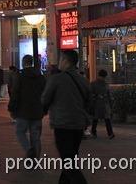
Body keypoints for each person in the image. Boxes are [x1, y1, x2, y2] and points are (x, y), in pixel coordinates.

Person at [42, 50, 90, 184]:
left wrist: (43, 111)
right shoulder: (83, 80)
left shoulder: (56, 79)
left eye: (60, 59)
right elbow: (89, 101)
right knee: (70, 159)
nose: (59, 63)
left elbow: (45, 99)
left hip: (63, 125)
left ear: (65, 61)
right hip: (79, 125)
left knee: (69, 163)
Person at [8, 55, 46, 158]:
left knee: (20, 131)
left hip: (23, 111)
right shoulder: (40, 77)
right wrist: (44, 109)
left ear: (23, 63)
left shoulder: (19, 76)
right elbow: (45, 93)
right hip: (37, 111)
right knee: (36, 136)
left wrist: (11, 108)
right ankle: (36, 158)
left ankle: (29, 150)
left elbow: (15, 93)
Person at [90, 69, 114, 139]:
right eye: (103, 77)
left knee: (106, 119)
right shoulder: (95, 84)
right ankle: (94, 132)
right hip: (98, 103)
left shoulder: (97, 84)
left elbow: (109, 95)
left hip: (102, 103)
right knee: (96, 119)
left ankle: (110, 133)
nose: (103, 78)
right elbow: (90, 94)